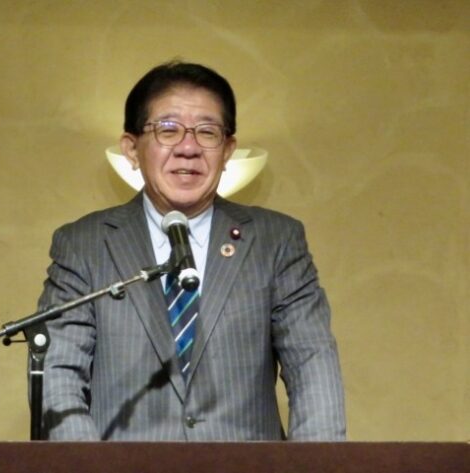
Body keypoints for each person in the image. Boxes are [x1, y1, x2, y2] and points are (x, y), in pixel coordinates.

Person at [37, 61, 346, 441]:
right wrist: (91, 467)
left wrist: (318, 466)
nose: (188, 149)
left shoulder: (275, 241)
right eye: (168, 130)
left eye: (207, 132)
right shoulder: (85, 245)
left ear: (228, 149)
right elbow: (58, 376)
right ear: (131, 148)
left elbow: (312, 364)